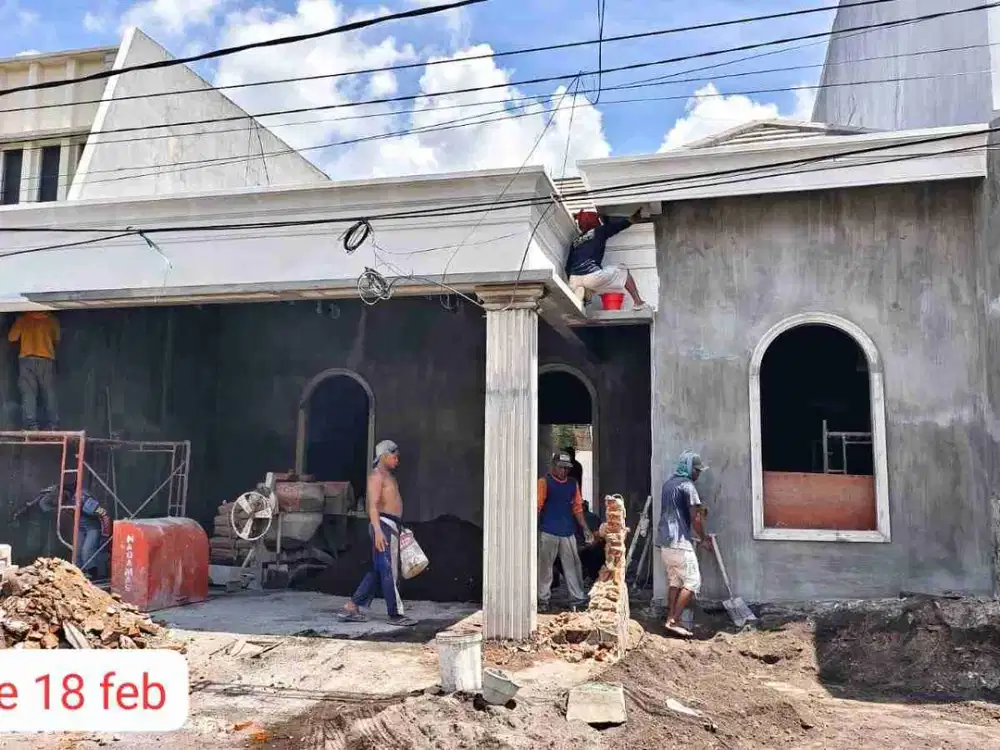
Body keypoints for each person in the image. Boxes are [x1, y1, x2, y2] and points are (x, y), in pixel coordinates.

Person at [339, 440, 417, 627]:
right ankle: (395, 614)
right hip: (383, 526)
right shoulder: (376, 477)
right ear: (384, 456)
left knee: (378, 569)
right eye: (394, 457)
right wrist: (378, 530)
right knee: (389, 570)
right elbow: (372, 506)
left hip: (391, 525)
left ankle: (352, 606)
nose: (397, 460)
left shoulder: (389, 477)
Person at [657, 450, 711, 638]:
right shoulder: (688, 486)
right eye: (697, 470)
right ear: (688, 468)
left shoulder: (668, 484)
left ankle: (670, 618)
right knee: (693, 580)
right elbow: (695, 519)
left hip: (665, 543)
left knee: (675, 581)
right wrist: (703, 538)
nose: (698, 474)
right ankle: (674, 620)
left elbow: (677, 510)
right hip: (679, 542)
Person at [21, 476, 111, 578]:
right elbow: (44, 505)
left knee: (87, 551)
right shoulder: (65, 500)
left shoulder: (83, 498)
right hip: (80, 527)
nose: (58, 500)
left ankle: (93, 574)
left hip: (93, 528)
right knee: (77, 552)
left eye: (59, 496)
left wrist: (105, 535)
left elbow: (104, 514)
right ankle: (81, 574)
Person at [538, 451, 593, 612]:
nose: (564, 471)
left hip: (568, 532)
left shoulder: (572, 484)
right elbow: (537, 507)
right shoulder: (544, 483)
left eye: (567, 468)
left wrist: (585, 528)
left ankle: (577, 599)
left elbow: (577, 508)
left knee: (573, 566)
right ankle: (542, 599)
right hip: (548, 531)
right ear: (553, 466)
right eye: (561, 467)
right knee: (545, 568)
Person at [566, 209, 647, 310]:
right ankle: (638, 302)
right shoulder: (598, 231)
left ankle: (584, 295)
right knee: (623, 269)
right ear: (594, 222)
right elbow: (617, 227)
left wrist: (572, 282)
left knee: (587, 285)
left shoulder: (575, 242)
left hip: (573, 279)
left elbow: (568, 267)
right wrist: (632, 220)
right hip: (592, 276)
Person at [7, 311, 60, 430]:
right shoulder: (52, 320)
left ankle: (31, 426)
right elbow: (57, 340)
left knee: (29, 393)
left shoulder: (23, 320)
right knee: (49, 393)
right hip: (46, 359)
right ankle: (53, 425)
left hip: (26, 359)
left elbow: (11, 337)